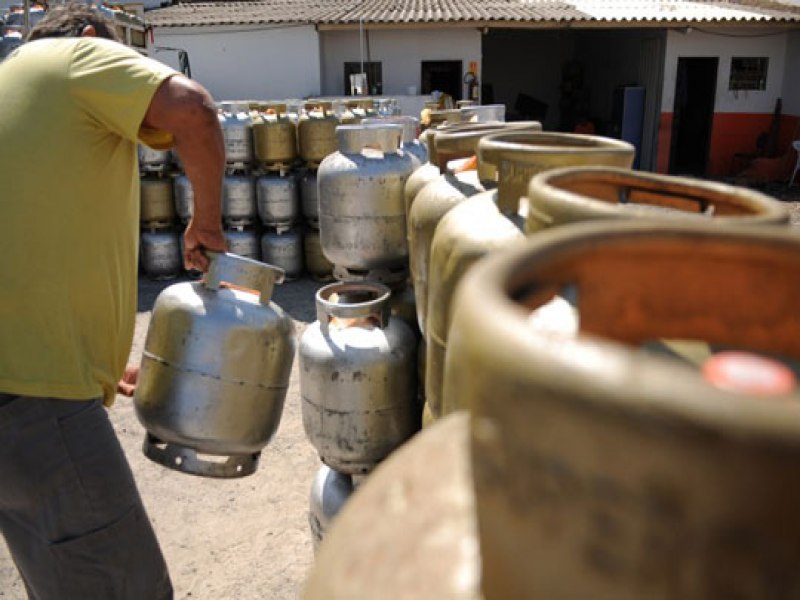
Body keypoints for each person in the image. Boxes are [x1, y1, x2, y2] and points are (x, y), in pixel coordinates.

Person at [0, 3, 227, 598]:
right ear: (94, 36)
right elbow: (194, 111)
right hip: (34, 399)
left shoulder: (13, 82)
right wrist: (206, 224)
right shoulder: (77, 56)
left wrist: (96, 356)